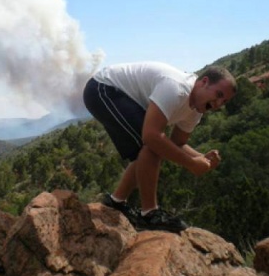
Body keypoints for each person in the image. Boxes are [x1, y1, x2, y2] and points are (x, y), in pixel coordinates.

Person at [83, 61, 237, 232]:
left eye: (224, 102)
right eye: (218, 94)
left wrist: (200, 158)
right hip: (103, 88)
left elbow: (178, 143)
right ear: (204, 82)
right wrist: (192, 164)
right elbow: (151, 137)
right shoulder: (176, 89)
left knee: (152, 147)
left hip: (122, 95)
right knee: (152, 145)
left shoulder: (196, 111)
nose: (218, 104)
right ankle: (149, 214)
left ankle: (116, 202)